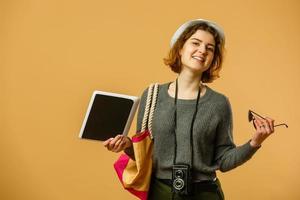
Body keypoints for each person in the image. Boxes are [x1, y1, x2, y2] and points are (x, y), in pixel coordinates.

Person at [103, 19, 275, 200]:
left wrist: (255, 142)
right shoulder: (152, 95)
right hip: (160, 193)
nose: (202, 50)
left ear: (212, 58)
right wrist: (127, 145)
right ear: (180, 48)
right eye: (196, 43)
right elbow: (143, 154)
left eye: (210, 48)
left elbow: (224, 161)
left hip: (205, 194)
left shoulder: (219, 103)